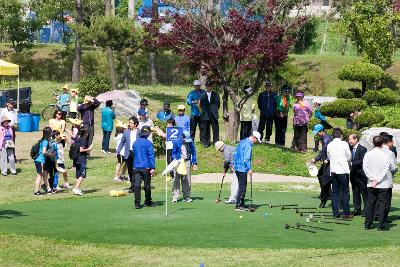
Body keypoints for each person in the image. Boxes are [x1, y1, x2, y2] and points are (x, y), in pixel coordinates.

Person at [363, 136, 396, 231]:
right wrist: (378, 179)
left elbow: (365, 167)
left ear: (373, 143)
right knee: (382, 204)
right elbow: (386, 168)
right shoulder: (385, 155)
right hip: (383, 183)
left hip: (371, 183)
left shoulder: (368, 154)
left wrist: (372, 179)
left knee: (370, 203)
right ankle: (381, 225)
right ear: (382, 144)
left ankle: (367, 224)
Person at [327, 128, 352, 218]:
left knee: (335, 192)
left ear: (333, 136)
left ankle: (335, 213)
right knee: (345, 192)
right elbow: (349, 157)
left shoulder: (330, 144)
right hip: (343, 170)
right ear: (341, 135)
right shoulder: (344, 144)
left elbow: (329, 156)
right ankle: (346, 213)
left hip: (333, 170)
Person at [233, 131, 261, 211]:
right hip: (242, 168)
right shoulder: (248, 145)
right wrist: (249, 168)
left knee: (241, 186)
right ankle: (238, 205)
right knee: (243, 187)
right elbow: (246, 158)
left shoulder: (242, 141)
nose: (256, 142)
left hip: (237, 167)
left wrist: (234, 164)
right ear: (254, 137)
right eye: (256, 140)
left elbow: (235, 153)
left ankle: (241, 203)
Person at [132, 126, 156, 209]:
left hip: (136, 167)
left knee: (137, 185)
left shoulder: (135, 143)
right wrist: (152, 167)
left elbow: (134, 153)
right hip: (146, 167)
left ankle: (137, 203)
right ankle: (148, 201)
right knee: (147, 185)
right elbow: (151, 156)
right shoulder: (149, 143)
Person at [310, 124, 332, 208]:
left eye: (317, 132)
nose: (316, 134)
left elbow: (324, 151)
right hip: (325, 160)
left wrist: (315, 159)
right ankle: (328, 192)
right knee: (320, 175)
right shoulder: (323, 138)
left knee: (325, 179)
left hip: (328, 161)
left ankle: (327, 194)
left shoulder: (326, 139)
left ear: (321, 131)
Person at [171, 131, 198, 202]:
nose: (187, 141)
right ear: (182, 137)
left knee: (186, 179)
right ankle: (175, 196)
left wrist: (194, 163)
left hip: (187, 161)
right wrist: (177, 160)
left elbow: (193, 152)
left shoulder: (190, 142)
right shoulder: (176, 142)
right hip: (178, 162)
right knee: (176, 179)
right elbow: (173, 153)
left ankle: (187, 196)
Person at [116, 116, 139, 192]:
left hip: (137, 153)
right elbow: (122, 142)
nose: (129, 124)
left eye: (131, 123)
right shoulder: (126, 132)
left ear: (135, 124)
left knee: (136, 170)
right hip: (128, 153)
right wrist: (117, 151)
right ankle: (132, 186)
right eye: (129, 122)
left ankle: (136, 185)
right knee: (130, 170)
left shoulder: (139, 132)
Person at [348, 134, 368, 216]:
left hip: (361, 174)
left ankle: (366, 210)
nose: (349, 141)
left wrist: (351, 163)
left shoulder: (363, 149)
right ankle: (357, 209)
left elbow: (362, 161)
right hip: (353, 174)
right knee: (355, 192)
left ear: (356, 139)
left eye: (350, 139)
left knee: (364, 193)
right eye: (349, 139)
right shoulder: (349, 149)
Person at [380, 133, 397, 221]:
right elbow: (394, 168)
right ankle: (383, 218)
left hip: (375, 179)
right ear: (387, 142)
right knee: (386, 201)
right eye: (391, 142)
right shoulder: (390, 153)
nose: (392, 143)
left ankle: (375, 216)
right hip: (386, 179)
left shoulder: (376, 150)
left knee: (376, 200)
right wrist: (395, 170)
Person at [72, 126, 93, 196]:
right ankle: (76, 188)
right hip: (81, 159)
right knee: (82, 174)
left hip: (77, 159)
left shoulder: (78, 138)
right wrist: (89, 149)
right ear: (86, 133)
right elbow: (81, 150)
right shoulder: (83, 140)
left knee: (78, 175)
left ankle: (76, 188)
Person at [33, 127, 54, 195]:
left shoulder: (44, 140)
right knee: (40, 175)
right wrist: (51, 155)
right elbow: (44, 152)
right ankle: (36, 191)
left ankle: (49, 189)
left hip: (41, 160)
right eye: (51, 132)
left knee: (45, 175)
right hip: (40, 161)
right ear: (49, 133)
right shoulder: (45, 141)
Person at [200, 81, 220, 147]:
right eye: (207, 86)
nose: (209, 88)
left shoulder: (216, 94)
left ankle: (216, 143)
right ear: (206, 87)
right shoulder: (203, 94)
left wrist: (214, 110)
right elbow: (201, 104)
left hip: (214, 114)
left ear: (212, 87)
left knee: (215, 129)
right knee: (206, 129)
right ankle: (206, 142)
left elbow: (218, 104)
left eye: (210, 86)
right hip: (205, 114)